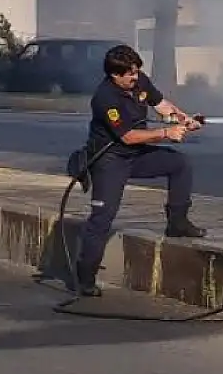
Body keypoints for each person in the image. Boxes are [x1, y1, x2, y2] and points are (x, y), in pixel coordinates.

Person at [73, 45, 205, 297]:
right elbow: (128, 136)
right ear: (115, 75)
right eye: (130, 74)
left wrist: (183, 119)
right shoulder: (105, 98)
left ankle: (177, 223)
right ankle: (85, 277)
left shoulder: (139, 80)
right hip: (110, 160)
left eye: (137, 71)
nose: (136, 77)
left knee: (180, 164)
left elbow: (161, 104)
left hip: (137, 155)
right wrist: (166, 133)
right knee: (102, 219)